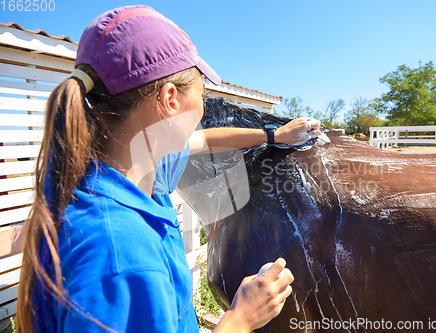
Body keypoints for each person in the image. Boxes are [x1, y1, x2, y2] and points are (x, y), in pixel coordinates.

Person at [16, 5, 322, 333]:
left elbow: (206, 140)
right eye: (201, 93)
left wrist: (273, 134)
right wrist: (241, 319)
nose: (202, 106)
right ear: (170, 99)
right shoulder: (122, 256)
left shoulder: (126, 171)